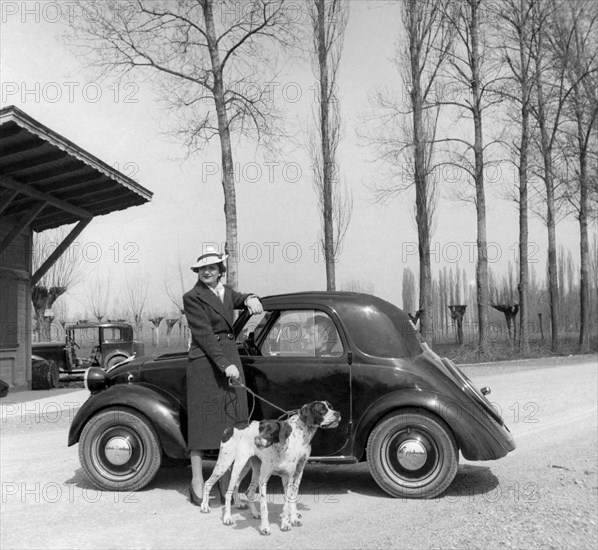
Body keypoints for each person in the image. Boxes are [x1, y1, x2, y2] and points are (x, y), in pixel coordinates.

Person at [183, 250, 263, 505]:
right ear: (198, 272)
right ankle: (197, 480)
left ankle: (227, 484)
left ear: (220, 270)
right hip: (206, 365)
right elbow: (205, 336)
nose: (207, 272)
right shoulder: (192, 297)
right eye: (202, 269)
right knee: (201, 423)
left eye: (213, 268)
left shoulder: (227, 292)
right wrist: (226, 365)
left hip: (228, 361)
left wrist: (250, 298)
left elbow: (239, 298)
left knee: (231, 424)